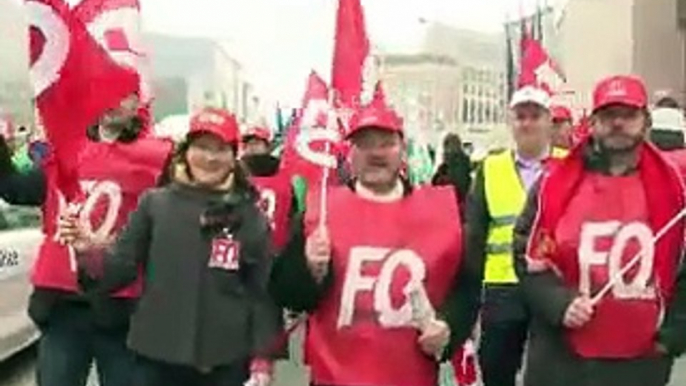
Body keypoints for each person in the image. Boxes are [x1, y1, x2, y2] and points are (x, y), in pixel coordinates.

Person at [61, 107, 280, 386]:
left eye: (221, 149)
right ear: (186, 152)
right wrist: (87, 252)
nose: (211, 158)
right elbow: (120, 269)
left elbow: (262, 293)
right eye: (202, 147)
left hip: (224, 365)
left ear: (233, 157)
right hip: (155, 362)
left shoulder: (250, 215)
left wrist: (262, 360)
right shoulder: (156, 204)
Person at [269, 101, 482, 386]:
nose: (376, 153)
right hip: (334, 377)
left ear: (402, 150)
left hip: (410, 376)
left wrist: (448, 329)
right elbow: (287, 294)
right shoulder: (320, 211)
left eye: (386, 143)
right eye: (365, 144)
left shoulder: (441, 211)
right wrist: (307, 266)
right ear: (351, 153)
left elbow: (466, 289)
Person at [514, 75, 686, 386]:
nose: (618, 123)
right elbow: (528, 257)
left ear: (646, 122)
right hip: (562, 360)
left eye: (628, 115)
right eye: (608, 116)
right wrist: (559, 302)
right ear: (592, 123)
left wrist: (673, 336)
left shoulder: (674, 190)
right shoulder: (555, 186)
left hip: (640, 365)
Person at [0, 94, 173, 386]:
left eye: (124, 94)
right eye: (105, 90)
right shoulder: (66, 152)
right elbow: (17, 189)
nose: (113, 100)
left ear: (138, 103)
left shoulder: (158, 159)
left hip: (123, 305)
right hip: (63, 305)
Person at [468, 85, 567, 386]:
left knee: (553, 371)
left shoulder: (569, 165)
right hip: (502, 285)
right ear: (511, 123)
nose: (527, 123)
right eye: (520, 116)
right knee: (496, 368)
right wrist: (472, 293)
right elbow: (475, 230)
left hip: (553, 284)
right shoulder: (492, 167)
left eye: (535, 116)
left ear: (549, 121)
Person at [432, 133, 472, 206]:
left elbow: (435, 185)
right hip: (465, 203)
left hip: (452, 204)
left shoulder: (445, 168)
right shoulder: (466, 163)